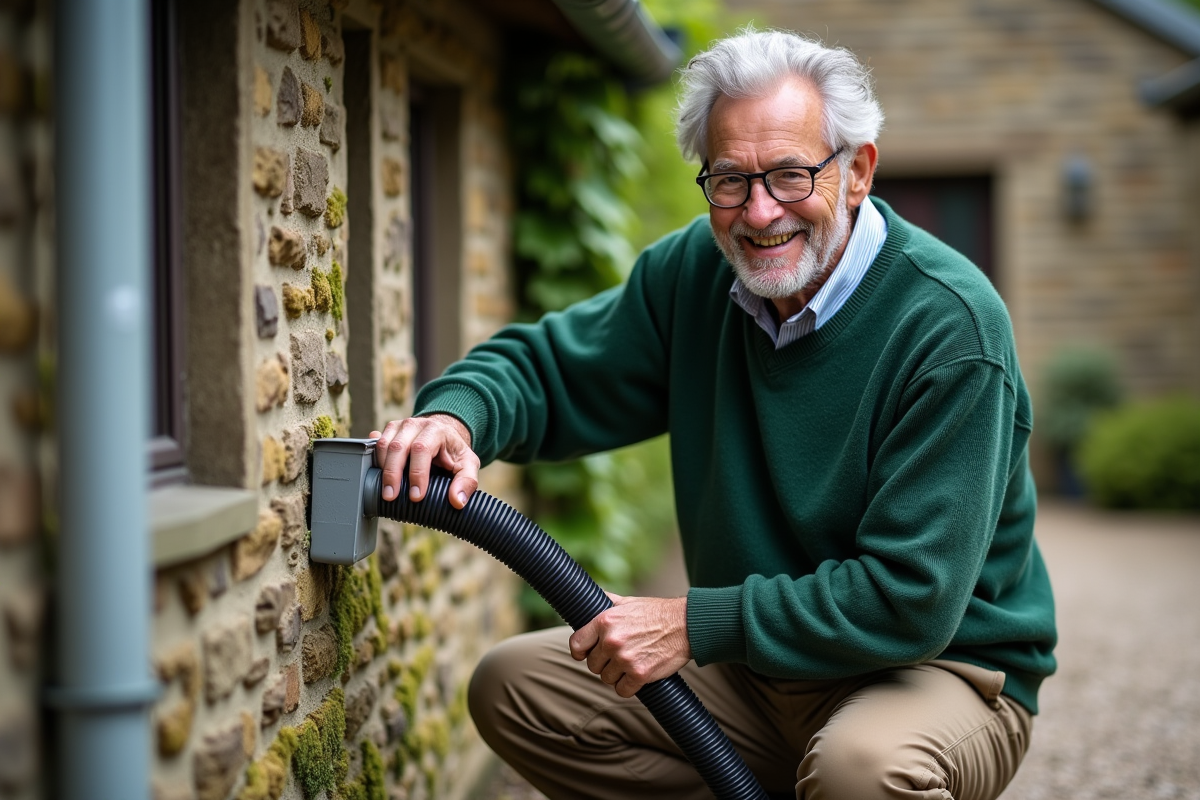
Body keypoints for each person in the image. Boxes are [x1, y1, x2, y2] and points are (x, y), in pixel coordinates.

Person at [370, 28, 1056, 800]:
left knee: (862, 773)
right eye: (730, 180)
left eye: (791, 175)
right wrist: (456, 419)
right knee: (518, 689)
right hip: (755, 677)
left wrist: (693, 625)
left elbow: (910, 600)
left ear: (857, 171)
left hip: (928, 673)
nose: (759, 213)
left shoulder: (950, 329)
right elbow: (549, 369)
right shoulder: (694, 275)